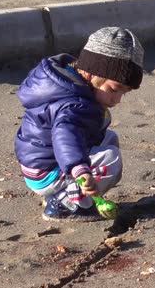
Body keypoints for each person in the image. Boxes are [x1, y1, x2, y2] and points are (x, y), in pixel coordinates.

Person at [14, 27, 144, 221]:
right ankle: (67, 204)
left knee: (109, 138)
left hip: (44, 161)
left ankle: (64, 192)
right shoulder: (74, 105)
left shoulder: (71, 88)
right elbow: (65, 138)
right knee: (111, 159)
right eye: (115, 89)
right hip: (46, 170)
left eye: (124, 93)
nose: (118, 99)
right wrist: (79, 169)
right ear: (93, 74)